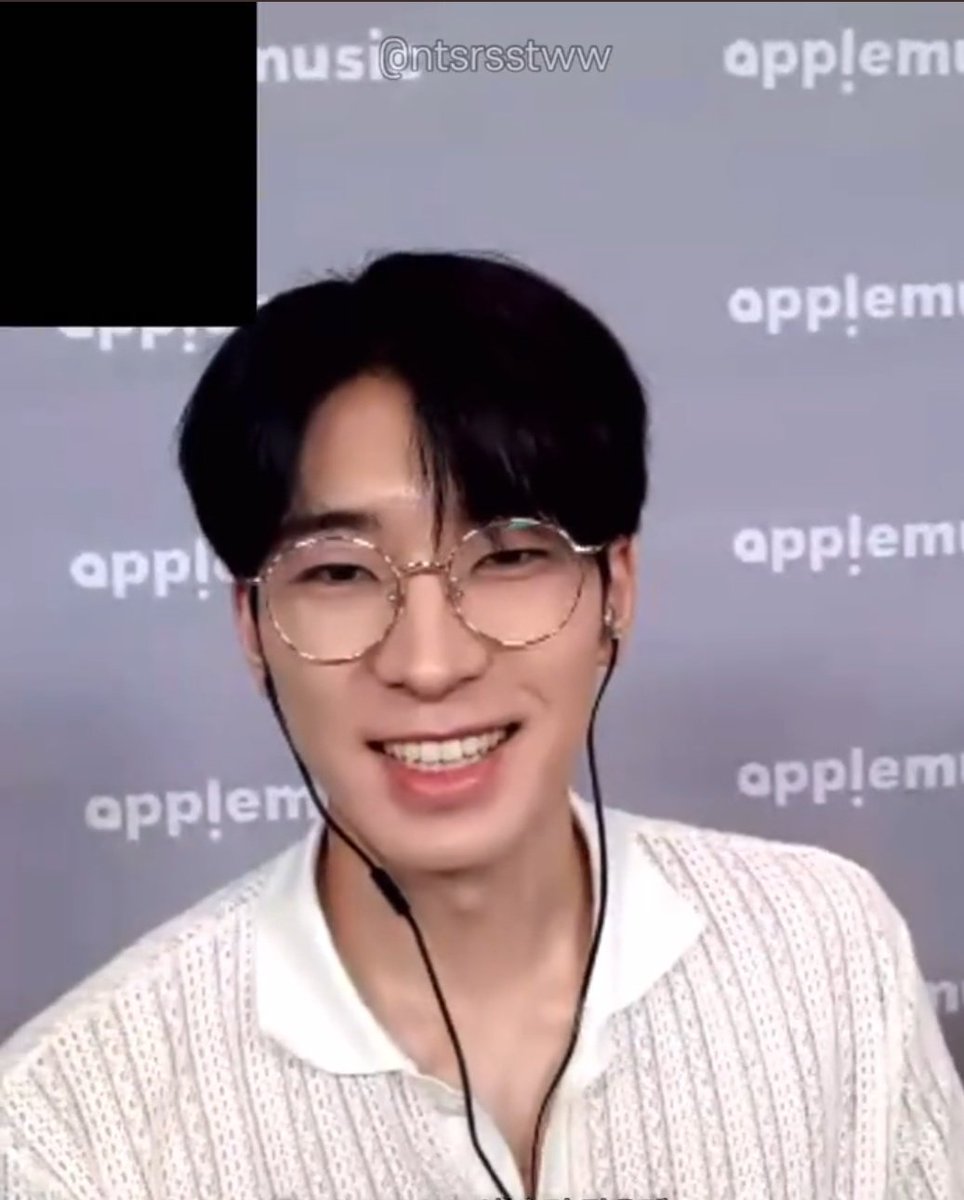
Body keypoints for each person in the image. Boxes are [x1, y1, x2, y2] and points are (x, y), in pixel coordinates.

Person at [2, 251, 962, 1200]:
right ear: (253, 627)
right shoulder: (74, 1122)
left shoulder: (823, 952)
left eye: (507, 557)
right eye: (339, 572)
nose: (430, 663)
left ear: (616, 589)